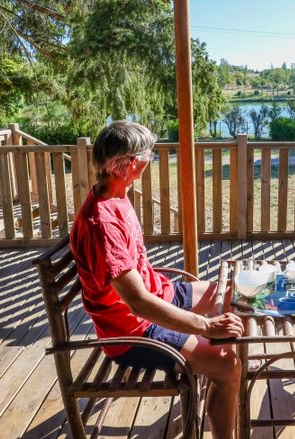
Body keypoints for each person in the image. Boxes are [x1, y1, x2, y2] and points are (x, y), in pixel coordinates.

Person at [70, 121, 243, 438]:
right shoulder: (101, 223)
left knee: (232, 292)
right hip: (133, 331)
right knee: (227, 365)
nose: (152, 159)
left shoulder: (117, 195)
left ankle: (209, 369)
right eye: (149, 154)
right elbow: (137, 304)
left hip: (159, 295)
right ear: (132, 164)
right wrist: (204, 325)